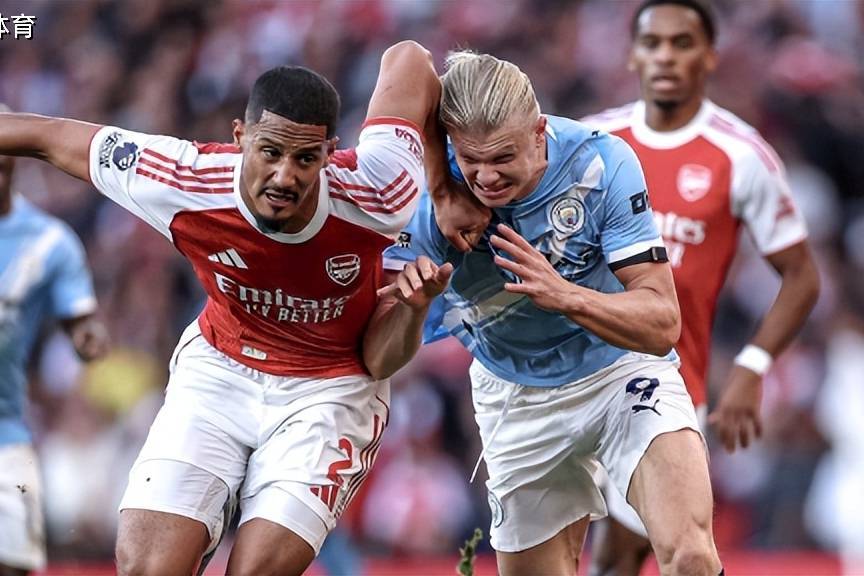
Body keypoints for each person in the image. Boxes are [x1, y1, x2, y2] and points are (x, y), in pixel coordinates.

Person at [0, 40, 453, 576]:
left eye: (305, 159)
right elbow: (47, 137)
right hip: (220, 370)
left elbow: (409, 58)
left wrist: (443, 187)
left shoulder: (381, 190)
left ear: (330, 153)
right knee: (149, 567)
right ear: (240, 138)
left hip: (329, 390)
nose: (284, 177)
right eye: (270, 153)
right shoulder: (184, 179)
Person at [383, 51, 723, 576]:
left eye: (503, 157)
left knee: (691, 557)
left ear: (539, 132)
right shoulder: (427, 203)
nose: (486, 177)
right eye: (471, 160)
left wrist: (565, 294)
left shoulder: (601, 163)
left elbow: (662, 324)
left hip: (619, 371)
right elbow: (405, 57)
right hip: (515, 395)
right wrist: (438, 191)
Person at [582, 1, 820, 573]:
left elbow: (803, 276)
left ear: (710, 56)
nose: (665, 56)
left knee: (677, 553)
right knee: (594, 553)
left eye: (682, 43)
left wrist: (752, 366)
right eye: (653, 43)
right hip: (572, 376)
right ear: (633, 55)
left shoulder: (741, 155)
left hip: (665, 385)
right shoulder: (592, 140)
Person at [0, 105, 110, 576]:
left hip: (6, 433)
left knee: (14, 564)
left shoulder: (49, 241)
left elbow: (80, 318)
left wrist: (88, 338)